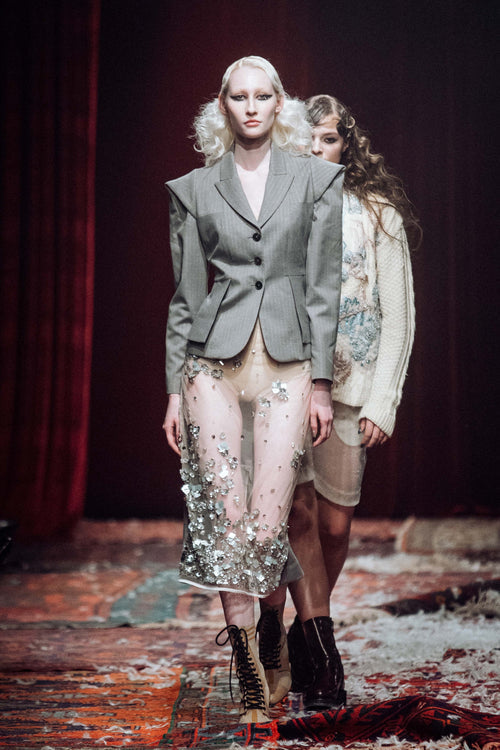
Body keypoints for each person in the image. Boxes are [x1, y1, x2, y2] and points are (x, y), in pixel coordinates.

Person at [162, 59, 344, 723]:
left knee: (268, 523)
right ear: (223, 105)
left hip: (290, 364)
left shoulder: (318, 180)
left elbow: (323, 289)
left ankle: (281, 640)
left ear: (279, 102)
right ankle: (246, 661)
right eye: (238, 97)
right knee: (224, 514)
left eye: (262, 96)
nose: (250, 107)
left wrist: (321, 384)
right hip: (212, 362)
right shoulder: (193, 189)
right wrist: (174, 391)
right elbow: (186, 299)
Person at [283, 94, 418, 710]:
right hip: (289, 387)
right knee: (298, 517)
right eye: (308, 139)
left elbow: (399, 316)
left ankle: (304, 629)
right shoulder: (279, 204)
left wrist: (383, 401)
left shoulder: (377, 212)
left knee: (335, 527)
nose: (318, 149)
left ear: (346, 146)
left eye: (329, 138)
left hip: (349, 393)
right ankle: (317, 647)